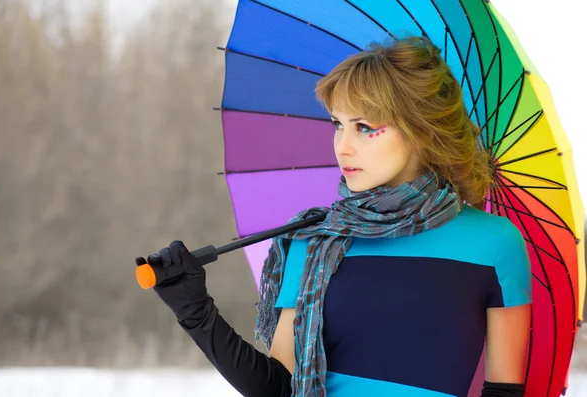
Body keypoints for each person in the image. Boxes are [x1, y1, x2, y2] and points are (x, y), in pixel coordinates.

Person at [137, 36, 532, 397]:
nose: (343, 146)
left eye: (364, 127)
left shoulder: (495, 244)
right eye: (337, 124)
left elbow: (503, 392)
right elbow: (278, 387)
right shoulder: (315, 239)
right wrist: (195, 311)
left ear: (421, 129)